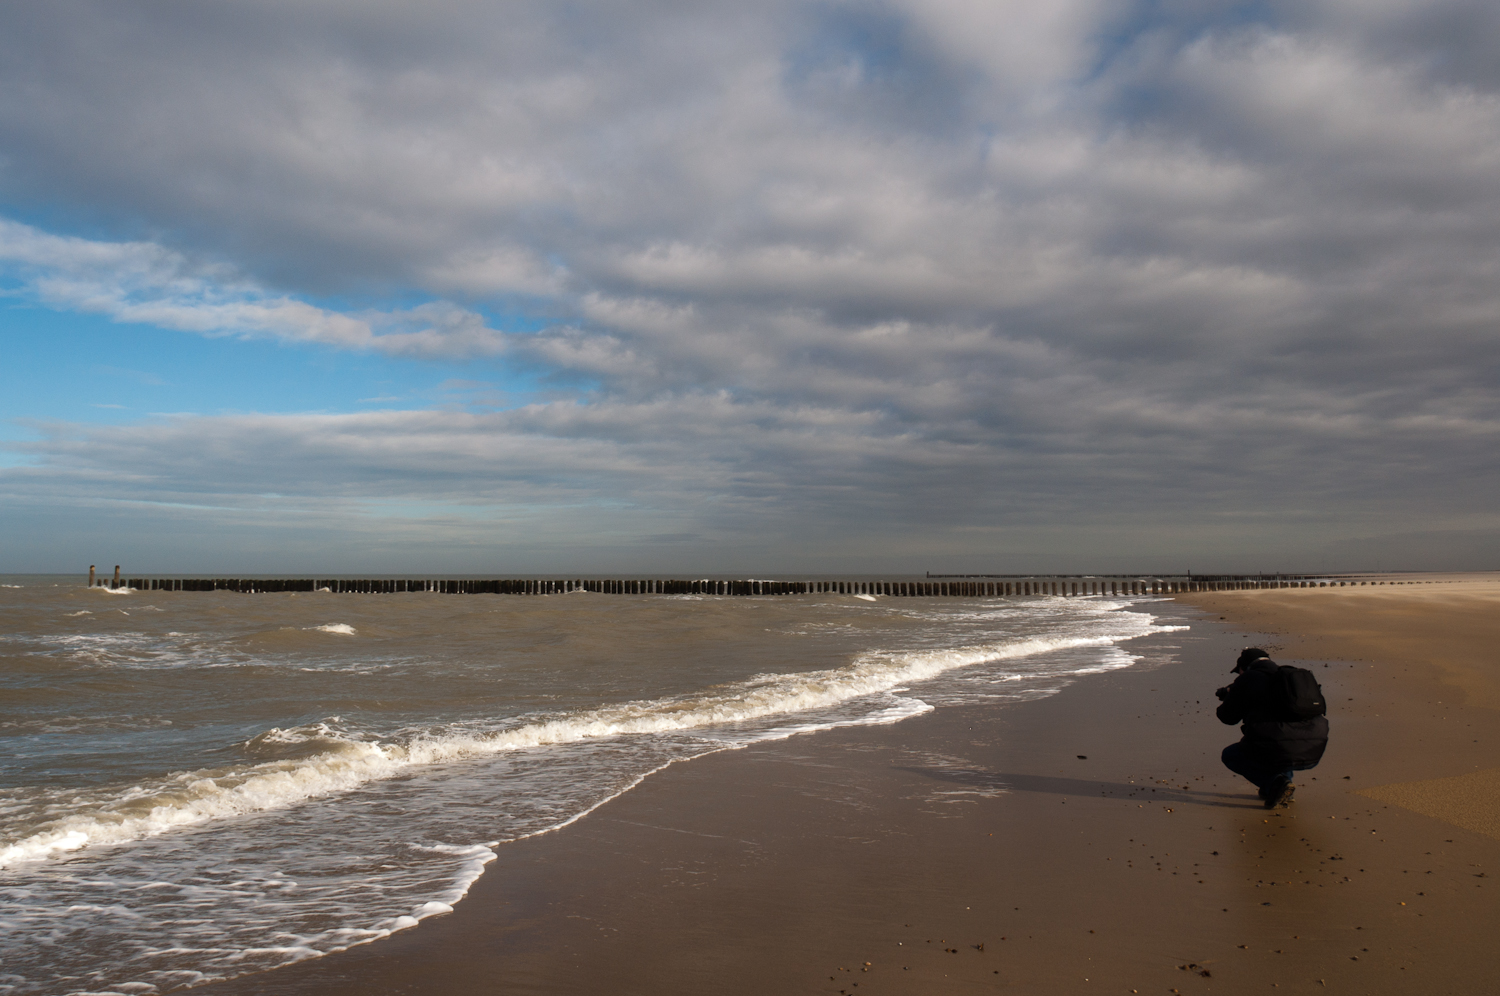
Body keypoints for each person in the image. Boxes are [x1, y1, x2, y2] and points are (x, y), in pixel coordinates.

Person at [1215, 648, 1329, 808]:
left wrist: (1231, 694)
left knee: (1231, 755)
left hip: (1279, 747)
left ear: (1244, 667)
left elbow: (1227, 717)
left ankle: (1275, 784)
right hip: (1314, 749)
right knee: (1279, 741)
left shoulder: (1250, 678)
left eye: (1238, 672)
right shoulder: (1292, 678)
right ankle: (1279, 787)